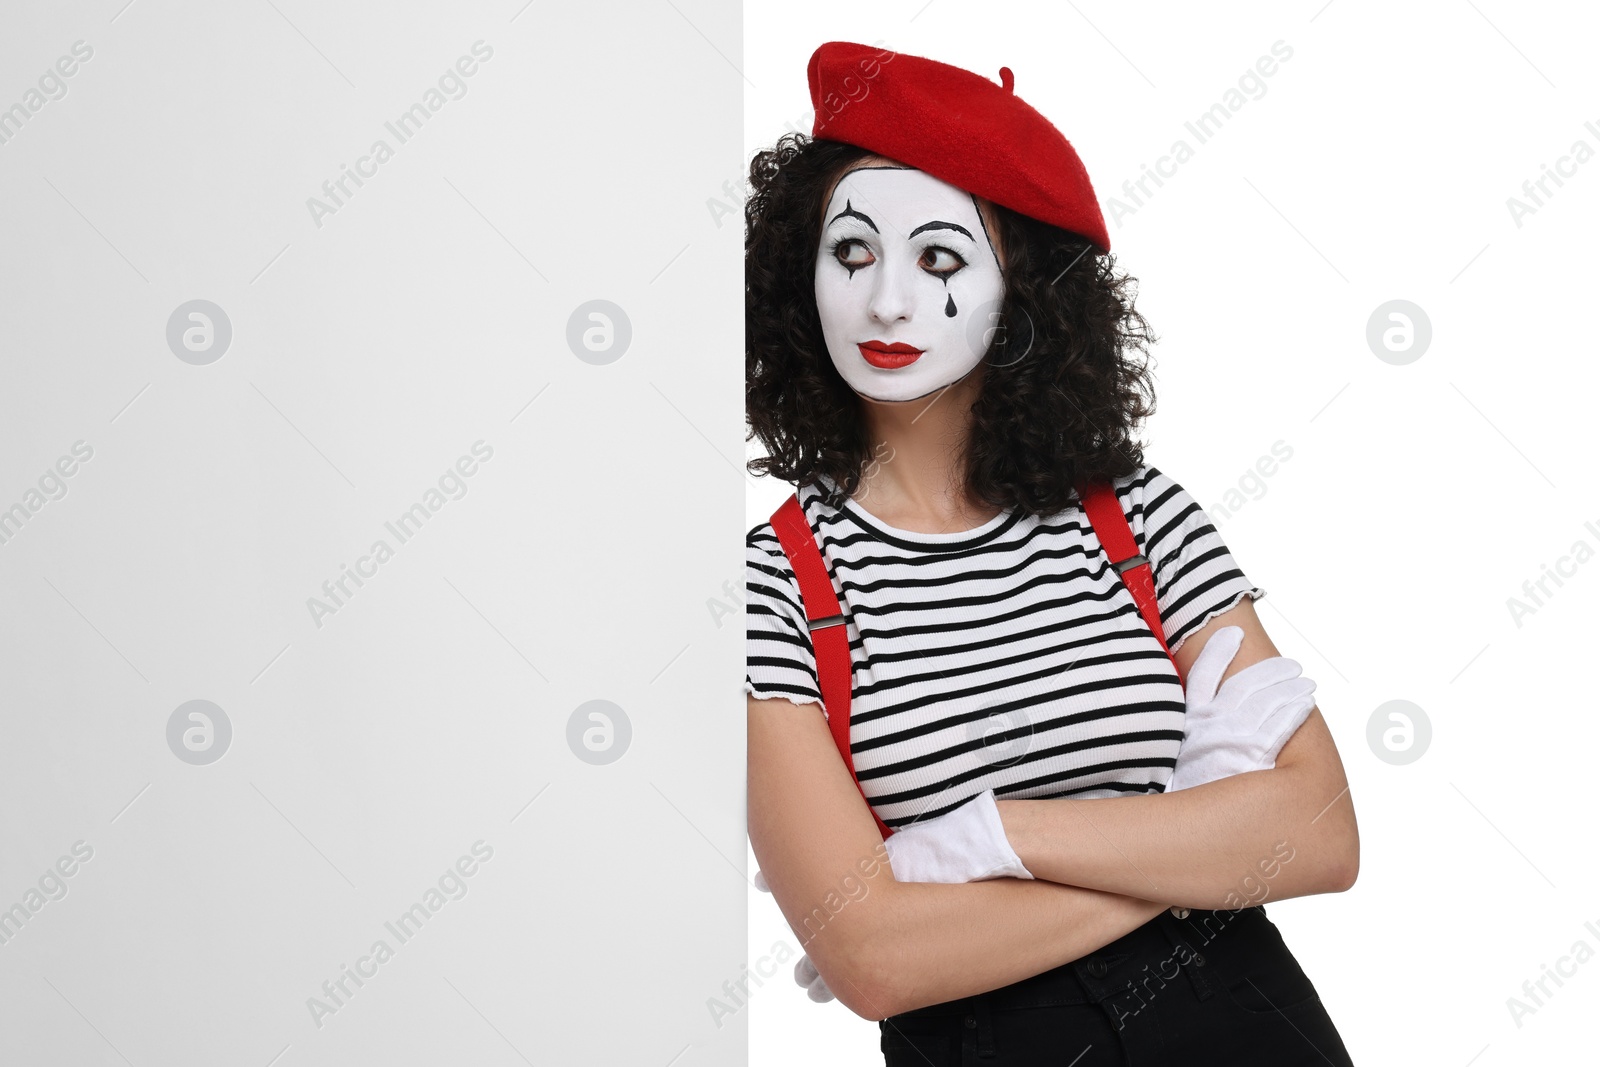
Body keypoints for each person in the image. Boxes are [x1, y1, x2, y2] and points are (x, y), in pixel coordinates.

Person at [745, 40, 1360, 1065]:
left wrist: (980, 840)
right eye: (852, 253)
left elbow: (1322, 831)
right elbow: (872, 957)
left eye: (939, 258)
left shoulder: (1138, 519)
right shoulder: (774, 587)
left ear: (1023, 294)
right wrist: (1192, 835)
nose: (887, 299)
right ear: (793, 278)